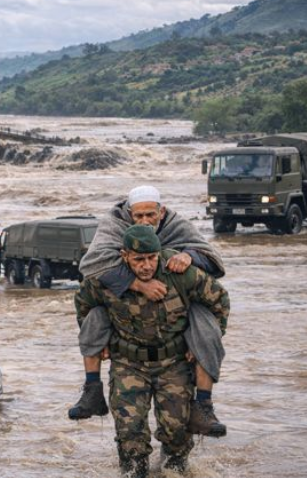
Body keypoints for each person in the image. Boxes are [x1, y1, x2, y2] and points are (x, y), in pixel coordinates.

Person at [74, 225, 230, 478]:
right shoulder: (108, 277)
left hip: (174, 364)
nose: (146, 266)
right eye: (139, 260)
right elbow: (84, 304)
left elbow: (219, 302)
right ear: (125, 256)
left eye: (152, 258)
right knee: (129, 432)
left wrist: (201, 342)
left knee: (177, 431)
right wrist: (97, 340)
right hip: (128, 363)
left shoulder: (180, 274)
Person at [71, 185, 228, 438]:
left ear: (161, 212)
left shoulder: (177, 230)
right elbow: (89, 270)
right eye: (138, 216)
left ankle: (204, 405)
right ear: (128, 214)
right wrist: (137, 284)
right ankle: (91, 388)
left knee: (177, 435)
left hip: (174, 349)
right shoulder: (113, 226)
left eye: (150, 216)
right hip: (129, 354)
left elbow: (216, 271)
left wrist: (190, 256)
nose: (145, 221)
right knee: (130, 436)